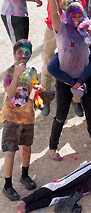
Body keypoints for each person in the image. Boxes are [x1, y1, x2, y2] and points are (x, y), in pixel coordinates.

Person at [44, 0, 91, 162]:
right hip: (65, 79)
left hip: (85, 78)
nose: (77, 18)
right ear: (67, 16)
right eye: (73, 16)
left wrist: (86, 28)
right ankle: (52, 147)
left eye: (79, 15)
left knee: (89, 108)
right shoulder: (61, 29)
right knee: (61, 115)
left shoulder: (85, 25)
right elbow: (54, 13)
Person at [2, 40, 41, 202]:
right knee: (10, 151)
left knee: (27, 148)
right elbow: (10, 94)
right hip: (11, 118)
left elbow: (32, 94)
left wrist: (38, 92)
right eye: (20, 53)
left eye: (26, 53)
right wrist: (17, 74)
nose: (23, 56)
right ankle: (7, 185)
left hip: (27, 117)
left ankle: (24, 176)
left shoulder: (32, 71)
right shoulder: (8, 73)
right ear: (14, 54)